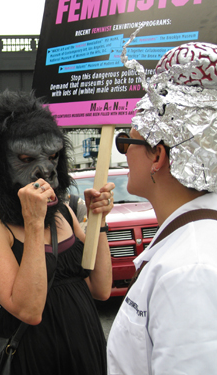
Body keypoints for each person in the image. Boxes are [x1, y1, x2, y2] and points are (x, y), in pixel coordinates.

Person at [0, 90, 114, 375]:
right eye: (25, 157)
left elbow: (101, 288)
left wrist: (100, 221)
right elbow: (30, 311)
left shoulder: (65, 212)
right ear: (0, 165)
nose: (45, 169)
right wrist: (33, 223)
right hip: (31, 357)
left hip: (85, 346)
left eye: (53, 156)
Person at [107, 40, 217, 374]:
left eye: (126, 140)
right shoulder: (189, 249)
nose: (123, 151)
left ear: (158, 155)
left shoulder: (190, 271)